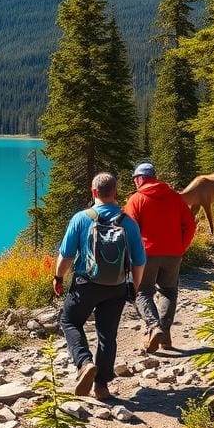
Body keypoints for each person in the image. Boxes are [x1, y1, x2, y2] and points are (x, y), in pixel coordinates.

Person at [54, 172, 146, 401]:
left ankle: (84, 363)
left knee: (69, 321)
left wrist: (58, 277)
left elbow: (66, 255)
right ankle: (102, 386)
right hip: (116, 287)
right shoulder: (128, 222)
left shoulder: (82, 218)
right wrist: (134, 287)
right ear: (115, 193)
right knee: (107, 334)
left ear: (94, 192)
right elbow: (139, 261)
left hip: (86, 284)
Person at [125, 162, 197, 352]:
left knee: (141, 292)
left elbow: (129, 230)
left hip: (146, 254)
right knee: (168, 291)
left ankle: (153, 326)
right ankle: (164, 335)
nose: (134, 183)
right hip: (173, 254)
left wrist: (131, 254)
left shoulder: (137, 199)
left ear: (140, 179)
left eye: (135, 179)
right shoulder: (175, 197)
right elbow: (190, 224)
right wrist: (182, 246)